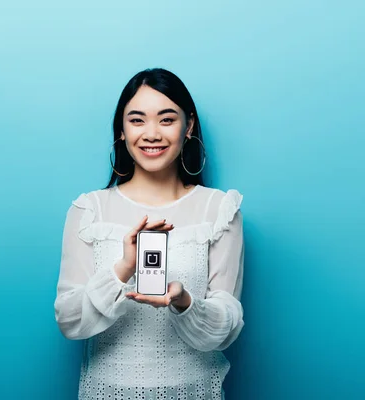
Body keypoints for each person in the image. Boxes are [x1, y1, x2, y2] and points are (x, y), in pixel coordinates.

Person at [53, 68, 244, 400]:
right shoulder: (89, 210)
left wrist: (185, 302)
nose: (151, 134)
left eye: (166, 119)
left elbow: (225, 327)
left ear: (189, 127)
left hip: (194, 391)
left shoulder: (220, 210)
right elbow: (69, 322)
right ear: (122, 132)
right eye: (137, 120)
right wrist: (122, 269)